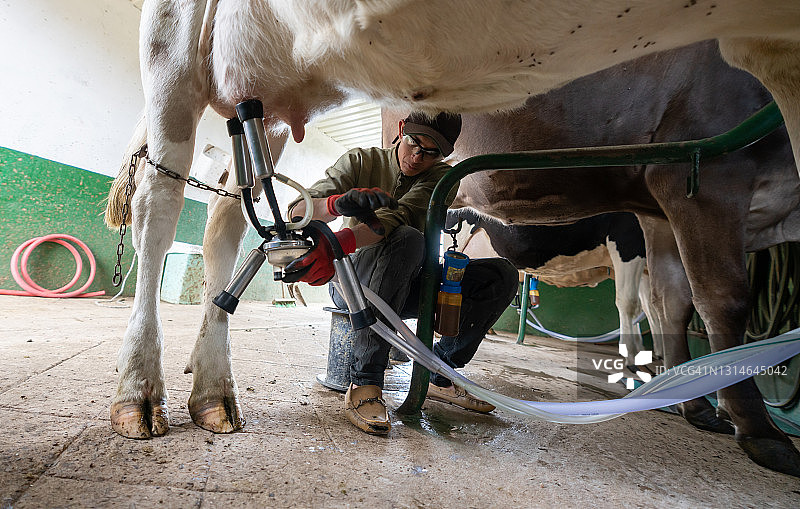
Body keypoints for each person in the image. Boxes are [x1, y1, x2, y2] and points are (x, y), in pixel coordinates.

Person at [283, 112, 518, 435]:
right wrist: (337, 205)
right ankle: (364, 383)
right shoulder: (359, 161)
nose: (418, 156)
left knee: (501, 274)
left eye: (431, 152)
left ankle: (439, 373)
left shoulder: (443, 178)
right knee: (409, 239)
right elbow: (297, 209)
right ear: (400, 131)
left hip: (407, 278)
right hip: (353, 282)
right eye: (414, 143)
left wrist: (341, 242)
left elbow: (402, 215)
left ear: (444, 155)